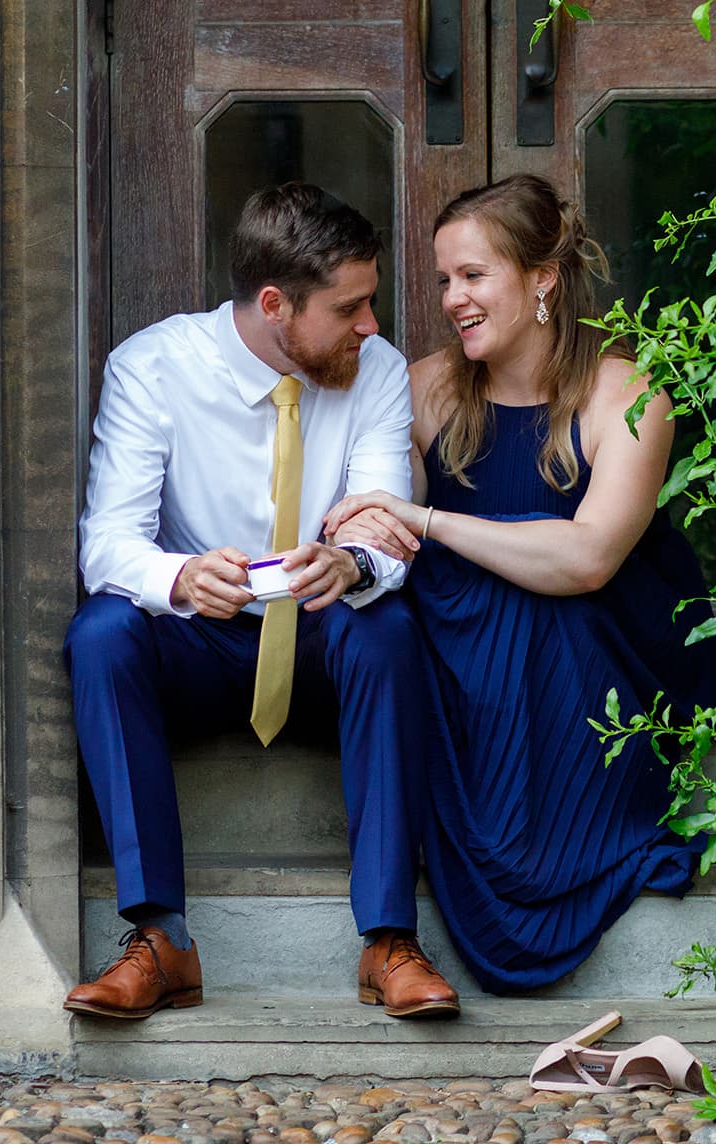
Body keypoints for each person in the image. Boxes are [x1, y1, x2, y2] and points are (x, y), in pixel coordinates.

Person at [62, 184, 460, 1020]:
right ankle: (160, 939)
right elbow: (107, 545)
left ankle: (389, 940)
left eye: (371, 301)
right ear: (274, 305)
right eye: (350, 307)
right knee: (101, 633)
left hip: (320, 636)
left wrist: (351, 565)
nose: (372, 326)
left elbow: (384, 522)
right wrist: (178, 578)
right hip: (201, 641)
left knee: (387, 632)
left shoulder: (376, 373)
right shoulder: (153, 367)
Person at [322, 174, 716, 992]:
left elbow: (587, 560)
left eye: (474, 276)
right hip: (475, 636)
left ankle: (558, 840)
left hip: (609, 642)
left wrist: (429, 522)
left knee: (537, 612)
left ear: (541, 278)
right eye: (443, 280)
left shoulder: (628, 394)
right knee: (417, 623)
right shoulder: (426, 386)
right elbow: (383, 534)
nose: (452, 299)